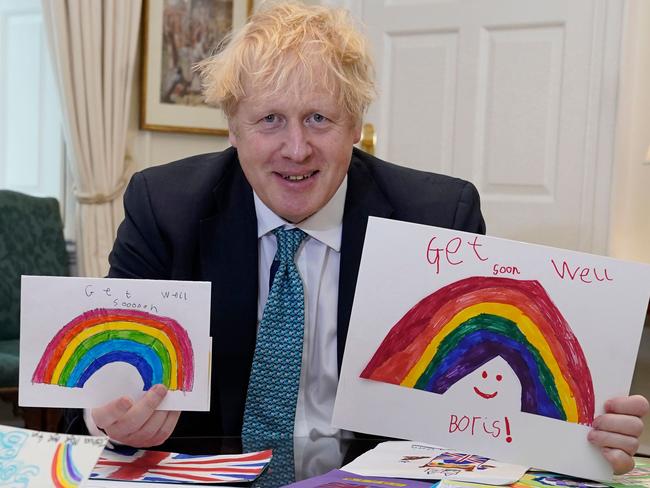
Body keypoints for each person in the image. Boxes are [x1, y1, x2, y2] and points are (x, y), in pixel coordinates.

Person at [64, 1, 647, 475]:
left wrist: (584, 434)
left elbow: (486, 399)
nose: (296, 148)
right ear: (233, 127)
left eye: (320, 118)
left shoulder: (437, 217)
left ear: (356, 124)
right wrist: (111, 416)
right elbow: (95, 393)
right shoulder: (164, 206)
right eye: (270, 120)